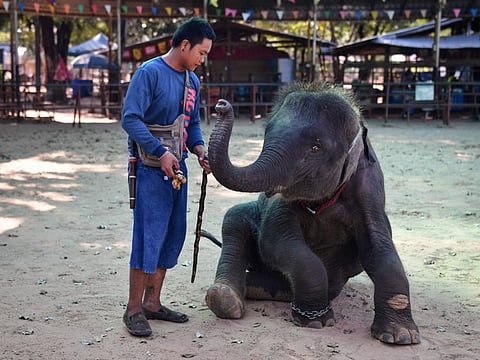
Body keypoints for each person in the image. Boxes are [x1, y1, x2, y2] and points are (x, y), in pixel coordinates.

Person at [121, 17, 216, 337]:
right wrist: (159, 152)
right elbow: (130, 119)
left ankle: (153, 303)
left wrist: (200, 149)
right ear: (185, 44)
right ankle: (133, 308)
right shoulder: (149, 73)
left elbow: (192, 124)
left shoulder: (193, 81)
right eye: (201, 53)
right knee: (148, 236)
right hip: (151, 169)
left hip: (178, 169)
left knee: (173, 234)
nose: (203, 60)